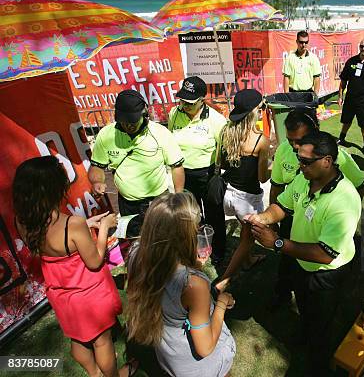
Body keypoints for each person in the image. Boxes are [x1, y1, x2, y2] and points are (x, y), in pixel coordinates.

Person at [244, 131, 361, 375]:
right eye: (299, 159)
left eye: (306, 161)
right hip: (302, 264)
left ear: (327, 161)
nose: (301, 165)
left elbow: (326, 254)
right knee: (306, 309)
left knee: (323, 324)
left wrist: (277, 243)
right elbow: (283, 205)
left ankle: (319, 363)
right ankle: (306, 334)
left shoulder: (344, 200)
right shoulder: (304, 179)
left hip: (326, 273)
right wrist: (263, 218)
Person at [13, 156, 123, 377]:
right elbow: (94, 261)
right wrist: (103, 228)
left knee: (79, 340)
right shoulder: (73, 224)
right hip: (89, 293)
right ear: (55, 188)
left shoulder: (22, 221)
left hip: (62, 294)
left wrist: (87, 225)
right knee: (102, 342)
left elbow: (53, 246)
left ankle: (94, 373)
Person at [126, 193, 235, 377]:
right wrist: (222, 303)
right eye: (196, 228)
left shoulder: (136, 255)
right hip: (200, 368)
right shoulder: (193, 285)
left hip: (169, 357)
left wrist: (193, 265)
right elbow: (205, 347)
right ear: (186, 235)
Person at [269, 109, 364, 309]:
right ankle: (285, 293)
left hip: (324, 225)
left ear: (327, 162)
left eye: (301, 140)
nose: (296, 148)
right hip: (294, 212)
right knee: (289, 261)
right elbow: (278, 186)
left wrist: (347, 216)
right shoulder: (288, 157)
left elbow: (359, 183)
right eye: (290, 141)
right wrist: (270, 220)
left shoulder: (336, 159)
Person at [89, 90, 185, 220]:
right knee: (134, 239)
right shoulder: (106, 135)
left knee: (162, 237)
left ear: (144, 114)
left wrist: (178, 197)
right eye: (124, 122)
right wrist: (97, 181)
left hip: (158, 200)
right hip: (127, 204)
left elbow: (177, 167)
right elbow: (97, 166)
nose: (129, 125)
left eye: (133, 122)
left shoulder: (160, 133)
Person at [168, 76, 227, 261]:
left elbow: (224, 149)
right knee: (190, 215)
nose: (184, 105)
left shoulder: (216, 120)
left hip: (207, 174)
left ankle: (218, 250)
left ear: (202, 100)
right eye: (182, 100)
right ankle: (195, 246)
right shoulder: (173, 114)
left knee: (214, 215)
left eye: (190, 103)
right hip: (183, 174)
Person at [216, 89, 270, 282]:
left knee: (244, 229)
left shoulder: (226, 133)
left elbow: (221, 164)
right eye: (261, 107)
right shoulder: (260, 141)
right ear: (255, 111)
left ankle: (248, 261)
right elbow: (263, 178)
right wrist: (274, 167)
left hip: (227, 195)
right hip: (248, 200)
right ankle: (224, 281)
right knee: (248, 240)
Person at [283, 30, 321, 95]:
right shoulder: (289, 58)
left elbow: (316, 78)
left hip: (308, 94)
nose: (304, 45)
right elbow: (286, 78)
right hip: (293, 94)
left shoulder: (314, 58)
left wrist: (316, 95)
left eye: (306, 42)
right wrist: (287, 95)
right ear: (297, 42)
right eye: (301, 42)